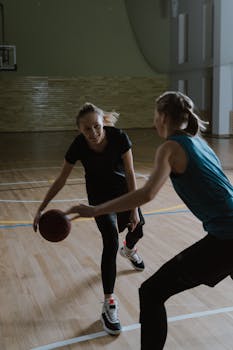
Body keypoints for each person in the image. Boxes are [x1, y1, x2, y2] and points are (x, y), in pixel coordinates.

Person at [65, 91, 233, 349]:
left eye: (155, 115)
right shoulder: (198, 141)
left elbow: (146, 194)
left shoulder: (170, 147)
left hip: (226, 238)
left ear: (163, 117)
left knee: (151, 292)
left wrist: (96, 210)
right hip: (226, 235)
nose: (154, 121)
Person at [33, 102, 145, 335]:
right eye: (87, 129)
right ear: (79, 130)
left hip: (124, 194)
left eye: (97, 126)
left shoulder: (119, 138)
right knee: (110, 242)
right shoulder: (78, 146)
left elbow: (131, 173)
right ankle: (109, 304)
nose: (93, 133)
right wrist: (41, 208)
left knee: (138, 228)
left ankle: (130, 250)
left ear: (103, 122)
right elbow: (61, 179)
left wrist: (134, 208)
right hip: (99, 200)